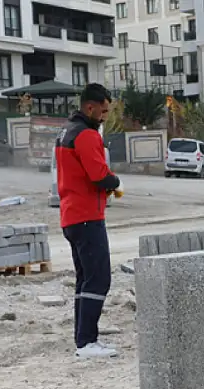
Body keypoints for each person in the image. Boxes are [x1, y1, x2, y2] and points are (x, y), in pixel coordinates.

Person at [56, 83, 123, 359]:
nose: (105, 116)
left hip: (71, 216)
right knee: (99, 279)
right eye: (104, 111)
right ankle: (87, 342)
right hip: (87, 216)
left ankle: (83, 338)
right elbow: (98, 175)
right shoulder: (85, 135)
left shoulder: (66, 132)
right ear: (90, 107)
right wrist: (115, 182)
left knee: (85, 279)